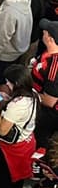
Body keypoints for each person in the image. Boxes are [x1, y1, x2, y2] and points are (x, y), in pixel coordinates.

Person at [0, 64, 38, 188]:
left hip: (9, 152)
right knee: (16, 187)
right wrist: (8, 100)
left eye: (9, 82)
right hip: (26, 145)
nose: (7, 84)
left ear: (16, 83)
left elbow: (2, 130)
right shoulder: (34, 95)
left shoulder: (17, 105)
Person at [33, 19, 58, 147]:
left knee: (41, 139)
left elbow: (50, 101)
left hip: (49, 113)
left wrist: (29, 93)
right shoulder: (49, 54)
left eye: (46, 32)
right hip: (42, 103)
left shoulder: (55, 66)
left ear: (50, 39)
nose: (43, 33)